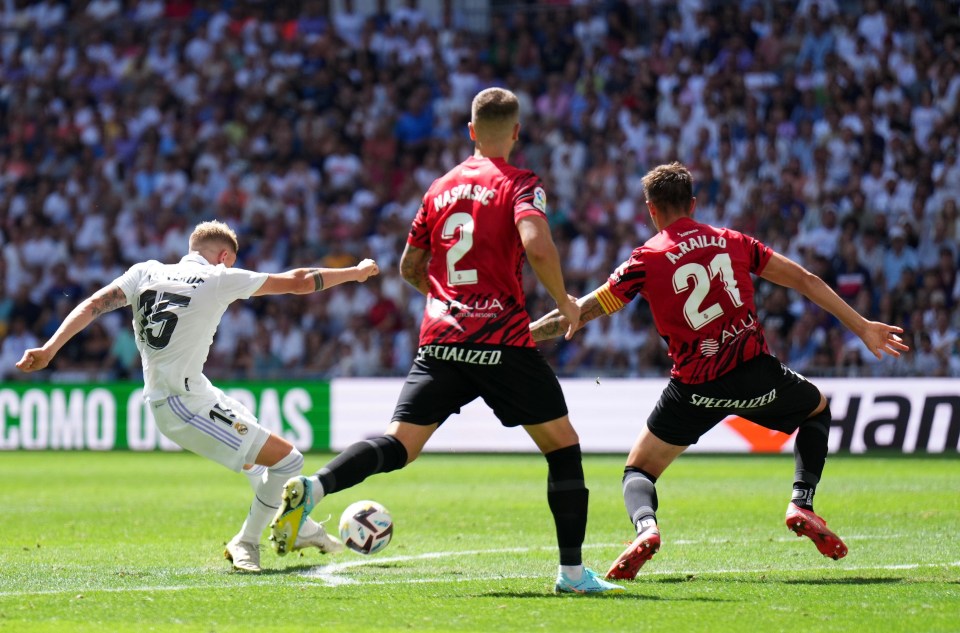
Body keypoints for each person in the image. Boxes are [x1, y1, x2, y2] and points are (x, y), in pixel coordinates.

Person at [270, 87, 623, 595]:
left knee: (400, 444)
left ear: (471, 131)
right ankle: (571, 575)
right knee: (563, 448)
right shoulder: (522, 183)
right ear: (517, 133)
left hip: (441, 340)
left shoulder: (438, 189)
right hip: (502, 341)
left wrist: (445, 299)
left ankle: (314, 486)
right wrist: (566, 302)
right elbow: (536, 244)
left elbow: (410, 267)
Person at [529, 162, 909, 580]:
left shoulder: (646, 258)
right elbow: (804, 279)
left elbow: (581, 312)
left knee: (639, 471)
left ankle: (647, 527)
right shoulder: (734, 241)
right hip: (755, 375)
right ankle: (801, 502)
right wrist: (863, 327)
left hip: (693, 388)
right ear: (693, 203)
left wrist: (525, 333)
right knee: (816, 410)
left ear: (651, 211)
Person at [16, 220, 380, 573]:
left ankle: (301, 528)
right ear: (224, 256)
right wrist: (355, 272)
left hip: (193, 391)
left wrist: (49, 349)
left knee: (260, 460)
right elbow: (299, 282)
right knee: (289, 461)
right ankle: (247, 542)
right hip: (182, 405)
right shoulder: (219, 278)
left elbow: (93, 304)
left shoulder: (146, 271)